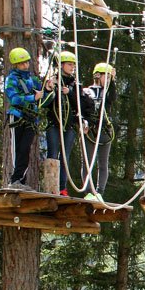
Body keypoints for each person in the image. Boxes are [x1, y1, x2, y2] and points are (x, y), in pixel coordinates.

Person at [41, 51, 93, 196]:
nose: (72, 67)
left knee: (65, 157)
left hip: (69, 126)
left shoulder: (75, 85)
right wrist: (49, 89)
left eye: (73, 65)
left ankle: (62, 187)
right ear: (61, 65)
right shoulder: (52, 81)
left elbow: (82, 105)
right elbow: (43, 103)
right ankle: (51, 186)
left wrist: (69, 92)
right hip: (54, 124)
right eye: (69, 64)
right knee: (52, 155)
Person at [4, 47, 43, 190]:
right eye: (22, 64)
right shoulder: (11, 79)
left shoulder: (32, 79)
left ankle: (20, 179)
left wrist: (49, 86)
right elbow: (14, 99)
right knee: (18, 148)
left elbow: (42, 88)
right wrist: (33, 97)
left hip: (31, 118)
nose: (25, 66)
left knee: (25, 148)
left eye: (26, 63)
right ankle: (16, 179)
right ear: (15, 64)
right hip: (18, 116)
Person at [81, 62, 117, 201]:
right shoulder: (86, 91)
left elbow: (112, 97)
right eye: (105, 77)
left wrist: (112, 81)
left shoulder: (107, 92)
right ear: (97, 76)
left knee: (103, 163)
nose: (107, 80)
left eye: (109, 78)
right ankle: (88, 192)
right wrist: (83, 123)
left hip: (104, 130)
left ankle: (99, 192)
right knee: (88, 162)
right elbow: (81, 110)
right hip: (90, 130)